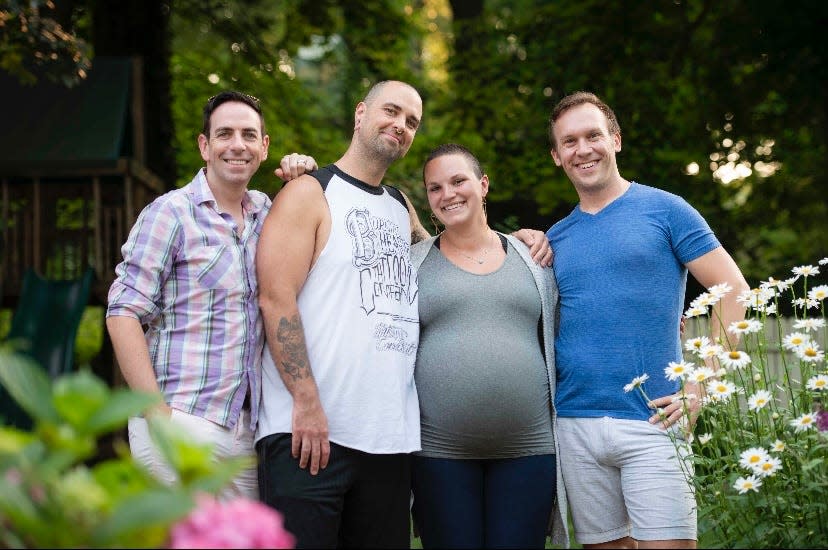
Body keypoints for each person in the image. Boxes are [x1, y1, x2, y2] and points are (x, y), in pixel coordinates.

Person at [545, 91, 750, 549]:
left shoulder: (666, 210)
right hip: (574, 425)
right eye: (570, 141)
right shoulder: (555, 238)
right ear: (557, 156)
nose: (584, 149)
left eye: (593, 135)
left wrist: (699, 385)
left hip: (654, 421)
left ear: (615, 140)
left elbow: (734, 291)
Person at [105, 91, 317, 499]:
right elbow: (122, 313)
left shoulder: (268, 215)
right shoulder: (170, 213)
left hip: (246, 431)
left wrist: (304, 176)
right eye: (224, 134)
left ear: (264, 146)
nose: (237, 145)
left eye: (248, 135)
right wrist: (157, 414)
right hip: (180, 416)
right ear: (205, 146)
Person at [409, 144, 569, 549]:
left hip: (529, 449)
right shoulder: (410, 264)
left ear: (483, 185)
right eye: (435, 187)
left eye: (458, 181)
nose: (449, 194)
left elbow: (575, 321)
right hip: (438, 454)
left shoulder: (535, 256)